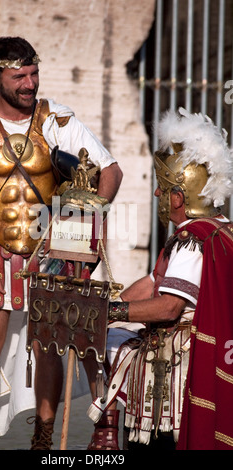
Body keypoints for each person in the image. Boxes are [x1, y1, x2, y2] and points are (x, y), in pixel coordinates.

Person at [0, 36, 123, 450]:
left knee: (50, 346)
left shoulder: (58, 120)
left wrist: (89, 209)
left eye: (33, 73)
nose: (29, 84)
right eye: (18, 76)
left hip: (51, 256)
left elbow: (110, 169)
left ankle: (43, 440)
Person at [87, 107, 233, 450]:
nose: (158, 196)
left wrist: (108, 314)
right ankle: (106, 426)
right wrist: (105, 305)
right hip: (193, 354)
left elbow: (168, 306)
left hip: (178, 369)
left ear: (179, 197)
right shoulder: (221, 230)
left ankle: (105, 428)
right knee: (109, 339)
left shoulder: (191, 240)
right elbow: (155, 282)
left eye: (163, 189)